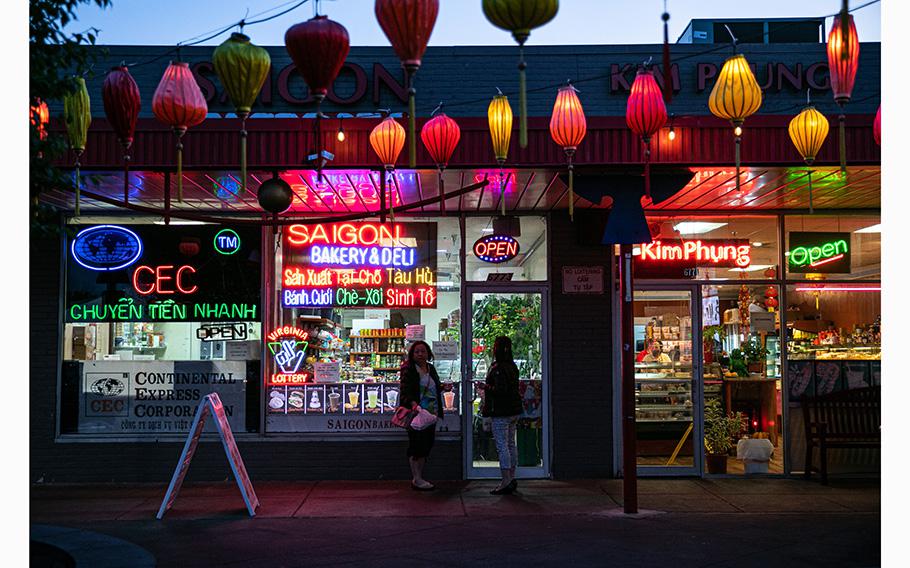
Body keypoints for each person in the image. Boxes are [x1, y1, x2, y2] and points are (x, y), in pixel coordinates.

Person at [478, 336, 524, 495]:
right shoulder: (512, 366)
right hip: (514, 411)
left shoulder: (498, 368)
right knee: (511, 443)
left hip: (501, 412)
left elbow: (500, 390)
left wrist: (485, 387)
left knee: (502, 446)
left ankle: (505, 481)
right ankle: (512, 477)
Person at [398, 340, 444, 491]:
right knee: (416, 445)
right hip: (416, 413)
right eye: (417, 351)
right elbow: (405, 390)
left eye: (423, 351)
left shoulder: (430, 368)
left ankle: (419, 477)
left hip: (431, 413)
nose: (420, 354)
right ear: (412, 354)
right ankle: (417, 478)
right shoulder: (409, 368)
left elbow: (435, 386)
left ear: (428, 353)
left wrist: (443, 387)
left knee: (426, 444)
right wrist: (414, 405)